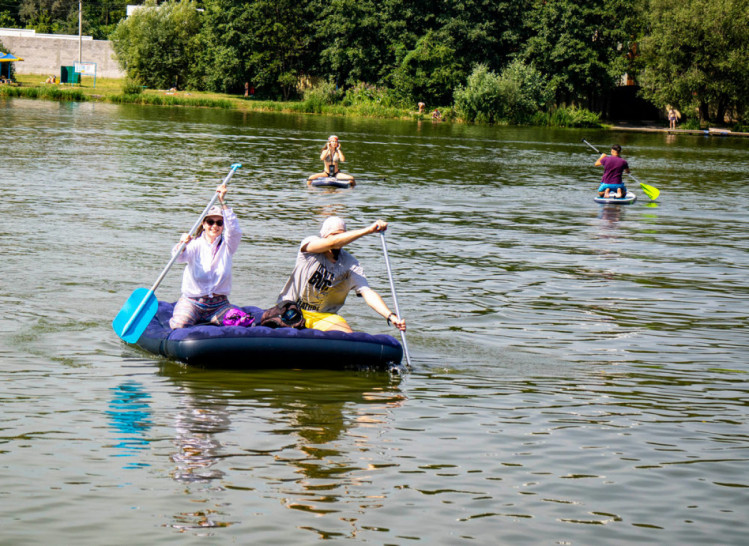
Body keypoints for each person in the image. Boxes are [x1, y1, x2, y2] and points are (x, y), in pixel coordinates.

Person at [276, 216, 407, 333]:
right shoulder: (309, 247)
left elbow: (367, 292)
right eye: (334, 235)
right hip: (292, 309)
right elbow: (332, 242)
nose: (339, 242)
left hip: (324, 316)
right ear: (324, 236)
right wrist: (369, 230)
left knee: (349, 336)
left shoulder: (351, 264)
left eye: (342, 236)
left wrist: (390, 316)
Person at [169, 183, 247, 329]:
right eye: (210, 222)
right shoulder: (195, 244)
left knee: (244, 323)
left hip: (219, 304)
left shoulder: (228, 245)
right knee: (180, 325)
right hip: (193, 301)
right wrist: (182, 244)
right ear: (204, 224)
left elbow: (235, 230)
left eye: (219, 222)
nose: (214, 226)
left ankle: (214, 321)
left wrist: (223, 201)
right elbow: (178, 258)